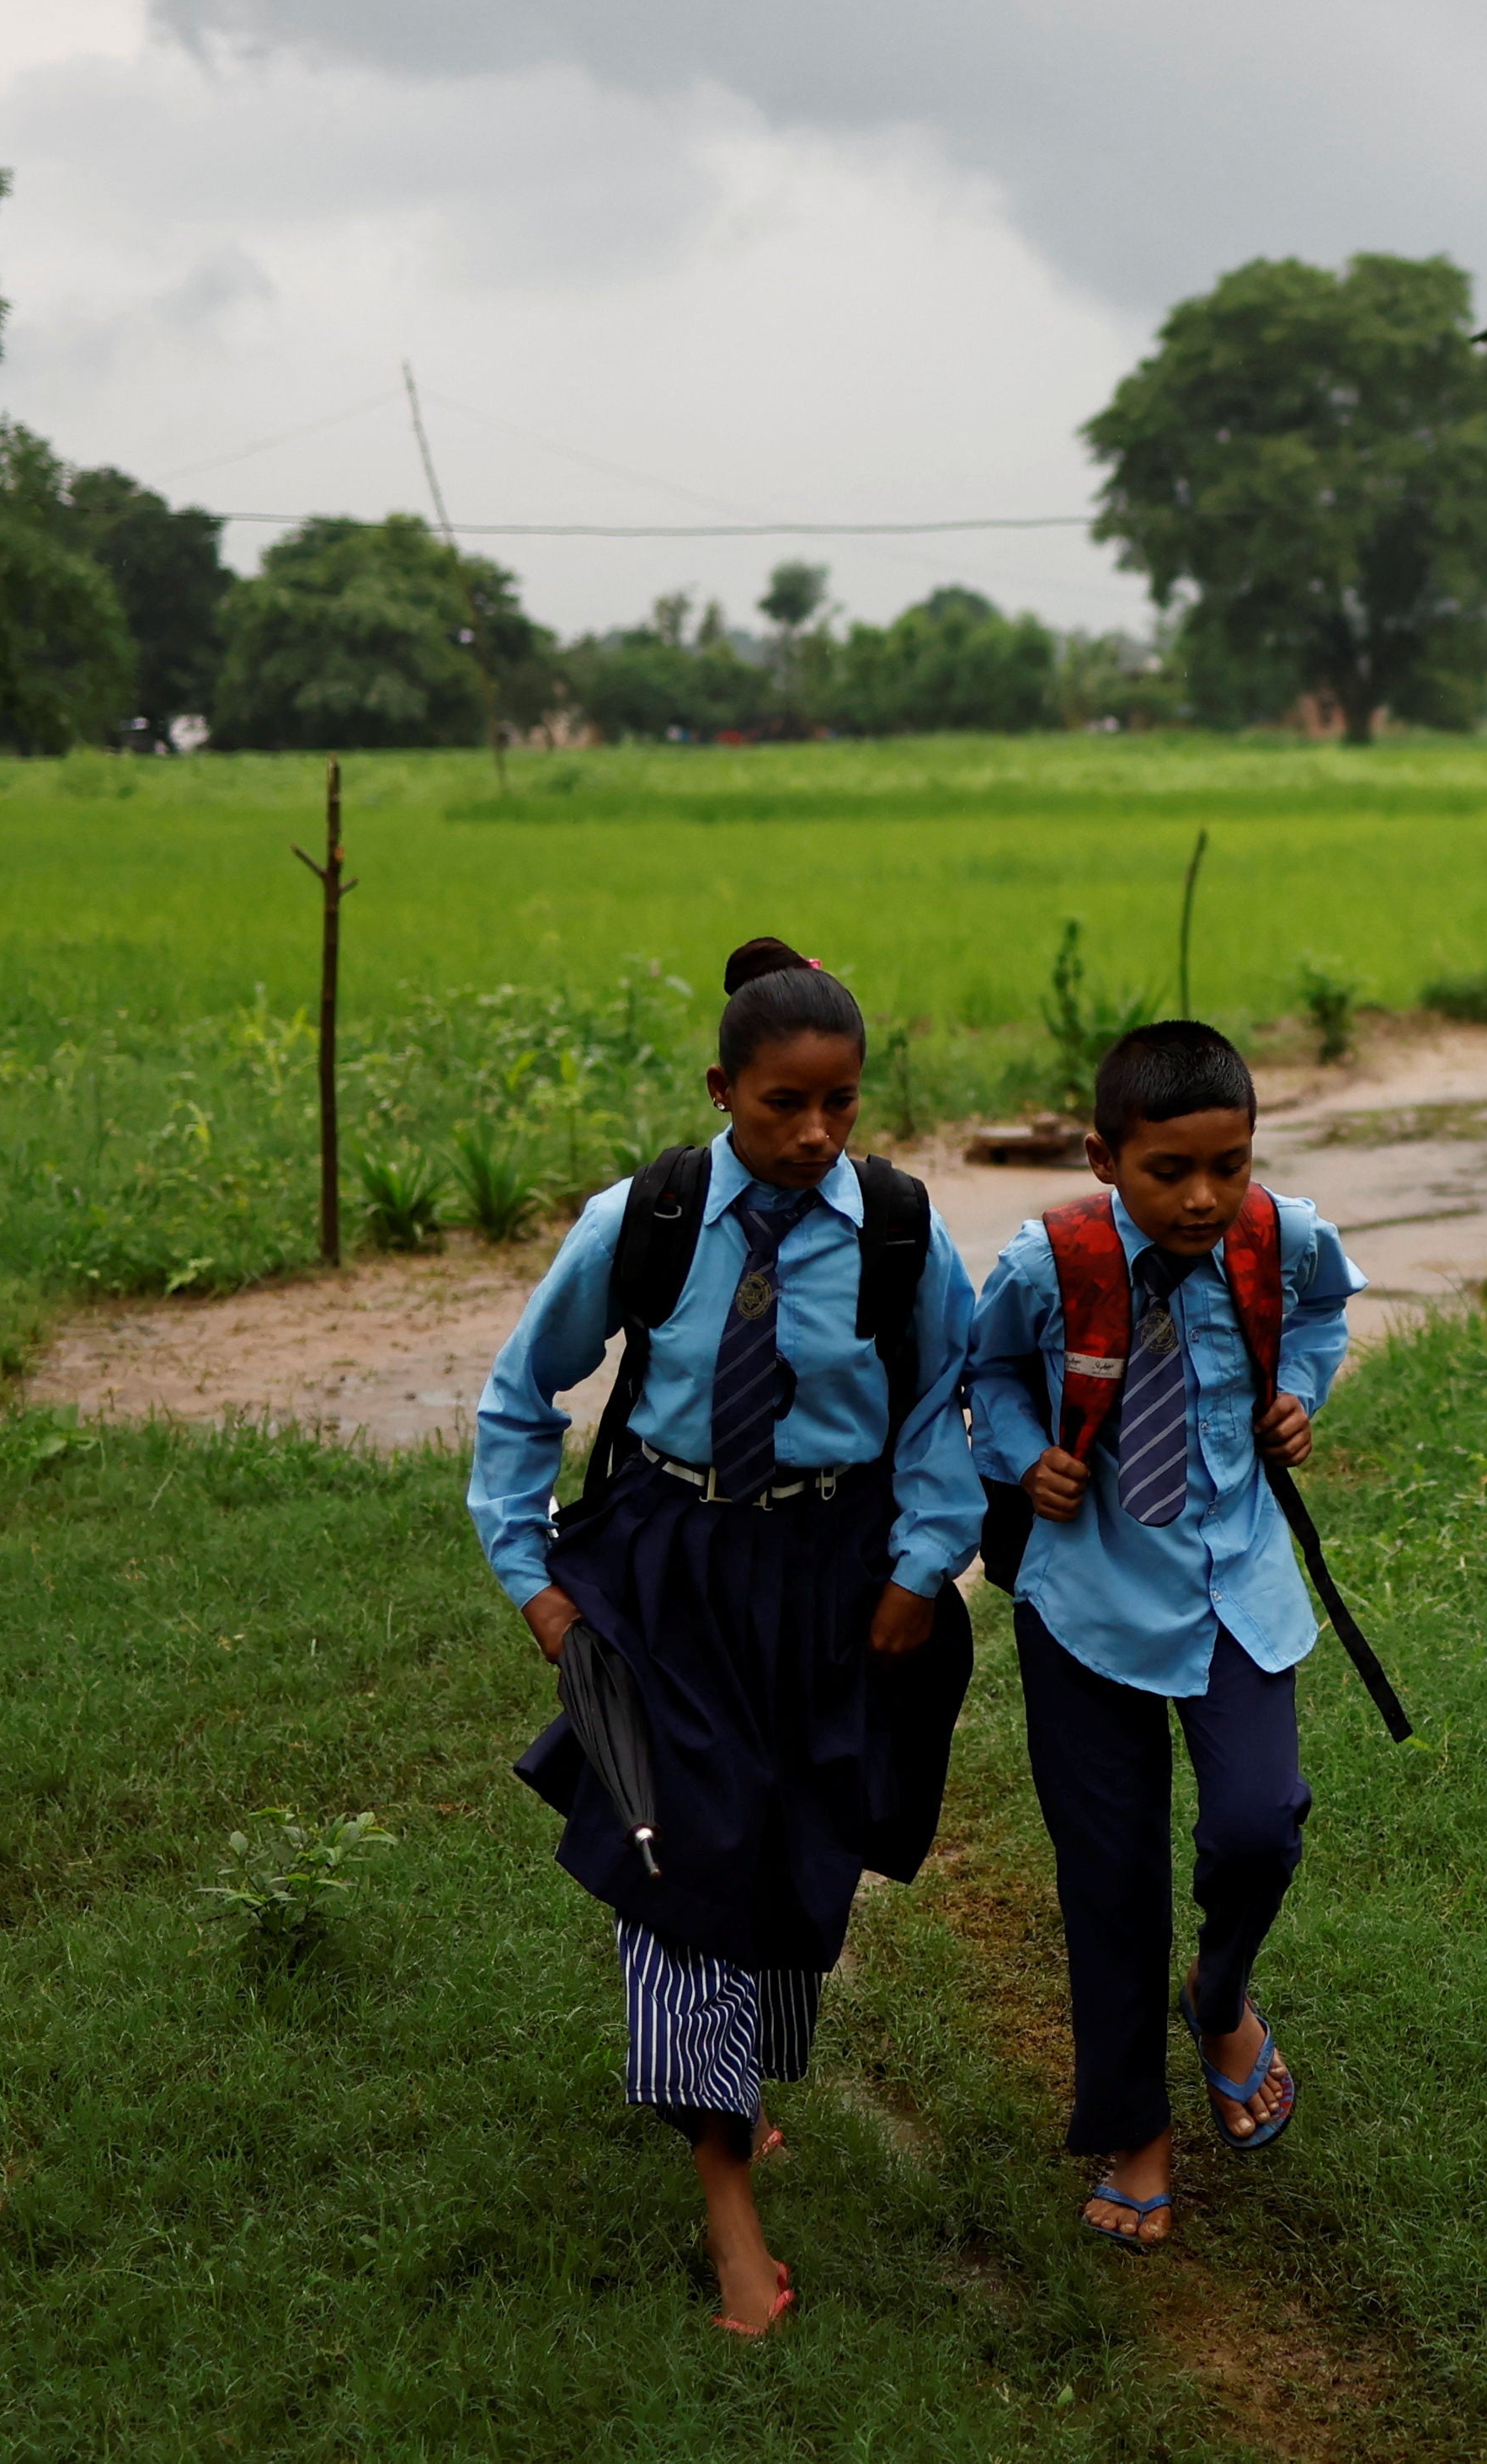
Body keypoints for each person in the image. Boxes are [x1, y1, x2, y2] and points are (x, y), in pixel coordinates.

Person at [468, 937, 980, 2338]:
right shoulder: (644, 1219)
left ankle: (737, 2086)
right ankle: (726, 2195)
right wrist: (533, 1574)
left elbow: (948, 1399)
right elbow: (522, 1398)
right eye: (780, 1108)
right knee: (681, 1852)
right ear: (722, 1089)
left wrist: (924, 1563)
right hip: (668, 1565)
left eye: (841, 1105)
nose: (813, 1134)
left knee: (794, 1841)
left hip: (832, 1575)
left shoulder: (897, 1229)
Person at [965, 1017, 1362, 2251]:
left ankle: (1222, 1991)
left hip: (1236, 1581)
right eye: (1170, 1171)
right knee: (1112, 1874)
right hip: (1087, 1597)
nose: (1203, 1197)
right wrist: (1023, 1456)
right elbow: (989, 1377)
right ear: (1101, 1155)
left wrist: (1301, 1391)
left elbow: (1325, 1313)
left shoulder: (1280, 1233)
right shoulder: (1048, 1261)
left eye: (1228, 1164)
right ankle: (1134, 2129)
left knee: (1259, 1820)